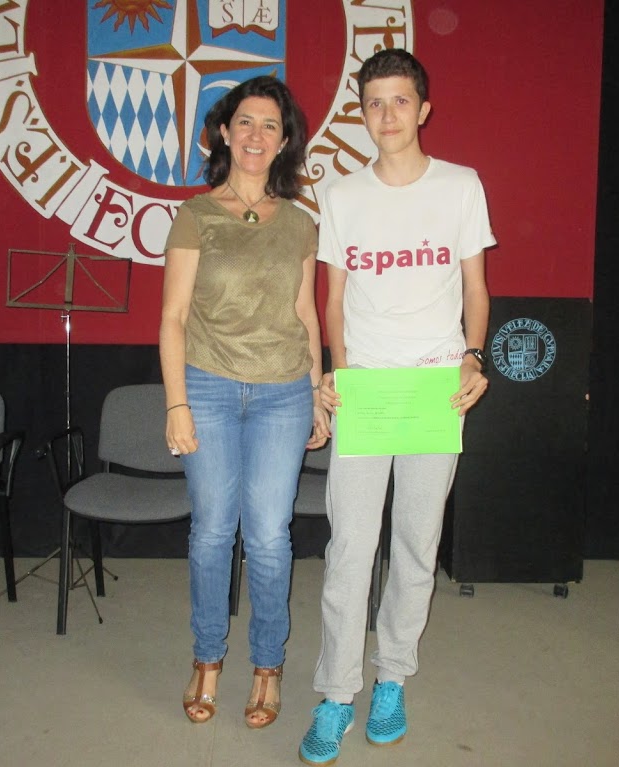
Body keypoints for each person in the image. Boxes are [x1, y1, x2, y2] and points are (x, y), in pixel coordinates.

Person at [298, 48, 495, 765]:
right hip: (368, 392)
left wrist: (473, 356)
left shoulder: (460, 186)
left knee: (415, 545)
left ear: (423, 109)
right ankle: (335, 693)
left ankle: (391, 679)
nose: (387, 115)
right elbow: (334, 299)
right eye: (374, 103)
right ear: (361, 112)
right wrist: (337, 373)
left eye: (399, 101)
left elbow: (475, 286)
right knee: (349, 549)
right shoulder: (342, 195)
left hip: (434, 390)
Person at [160, 75, 330, 730]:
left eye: (270, 125)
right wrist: (176, 403)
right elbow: (173, 317)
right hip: (206, 386)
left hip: (282, 393)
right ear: (224, 134)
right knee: (211, 531)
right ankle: (207, 656)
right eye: (246, 122)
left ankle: (267, 664)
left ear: (284, 141)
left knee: (266, 536)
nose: (257, 135)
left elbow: (305, 314)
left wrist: (317, 392)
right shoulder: (195, 215)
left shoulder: (300, 223)